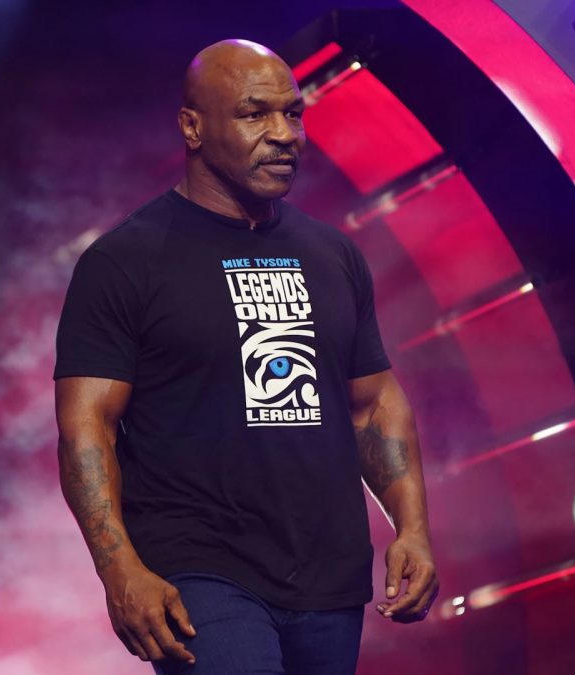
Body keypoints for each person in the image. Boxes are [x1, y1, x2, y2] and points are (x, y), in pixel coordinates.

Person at [53, 39, 437, 674]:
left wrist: (413, 528)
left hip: (329, 575)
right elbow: (86, 426)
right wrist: (118, 568)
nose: (284, 134)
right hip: (198, 571)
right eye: (255, 113)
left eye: (293, 114)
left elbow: (373, 405)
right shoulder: (124, 261)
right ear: (192, 127)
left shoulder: (333, 255)